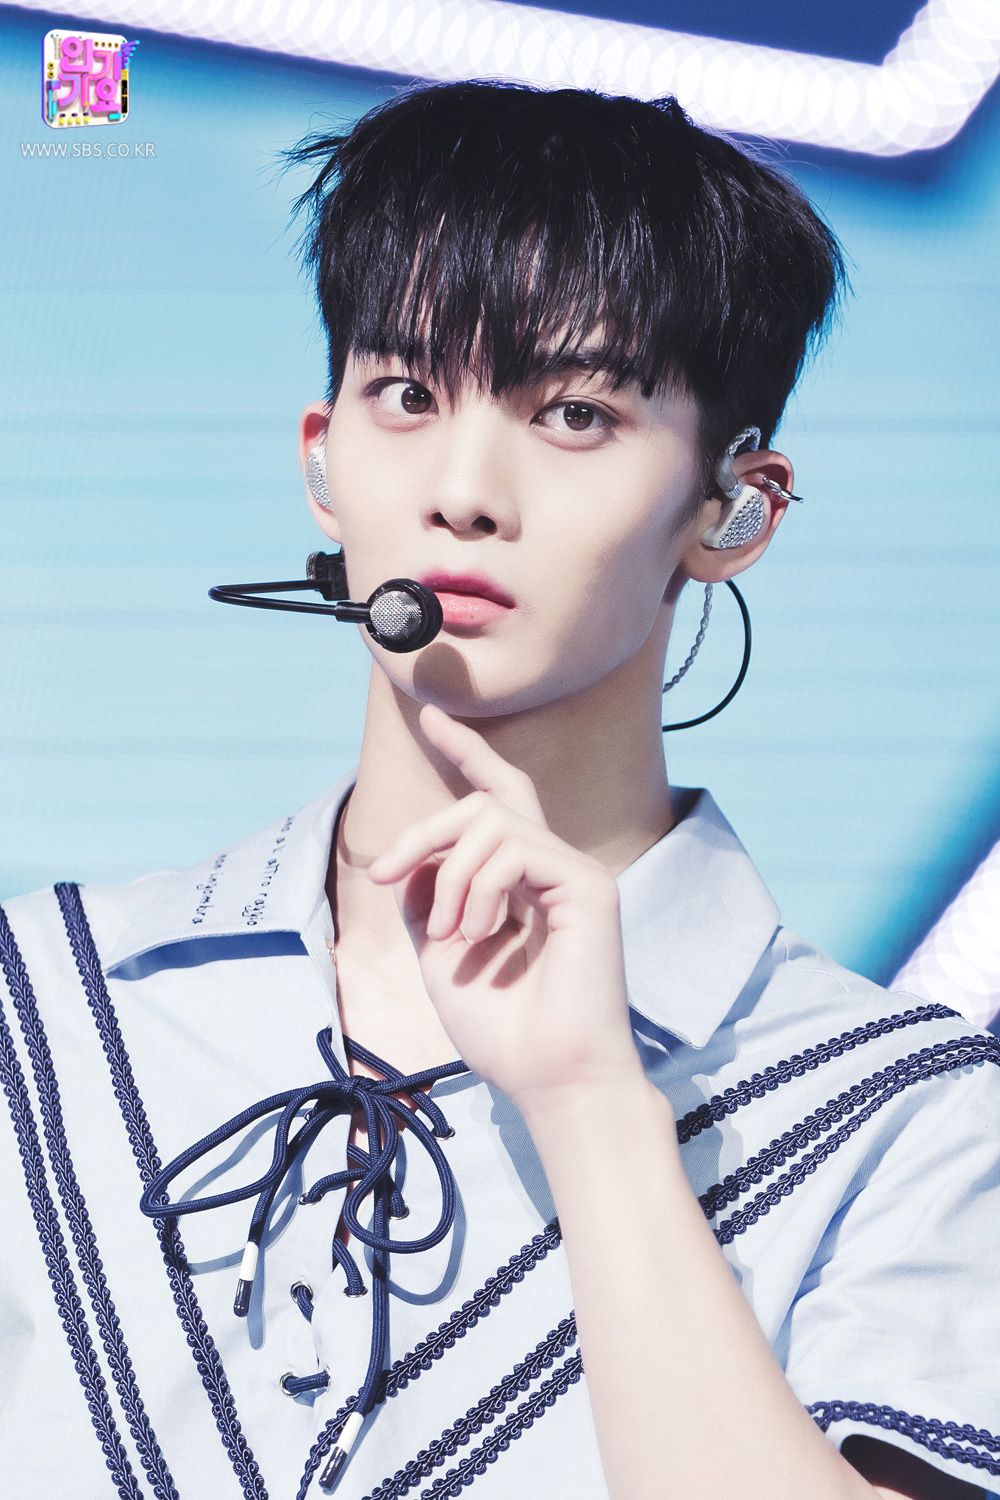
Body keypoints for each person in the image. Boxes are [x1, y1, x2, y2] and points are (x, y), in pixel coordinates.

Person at [1, 82, 997, 1500]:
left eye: (575, 413)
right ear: (321, 462)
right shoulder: (45, 1003)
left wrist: (591, 1105)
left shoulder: (906, 1118)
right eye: (408, 397)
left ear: (737, 509)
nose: (464, 489)